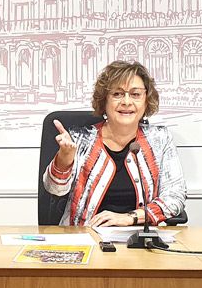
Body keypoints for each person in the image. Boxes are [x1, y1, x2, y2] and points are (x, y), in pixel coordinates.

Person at [43, 61, 187, 226]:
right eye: (117, 94)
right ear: (104, 101)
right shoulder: (80, 138)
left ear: (146, 101)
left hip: (139, 239)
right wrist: (64, 159)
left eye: (135, 94)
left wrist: (130, 217)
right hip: (86, 237)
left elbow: (175, 195)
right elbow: (54, 189)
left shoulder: (160, 139)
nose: (126, 102)